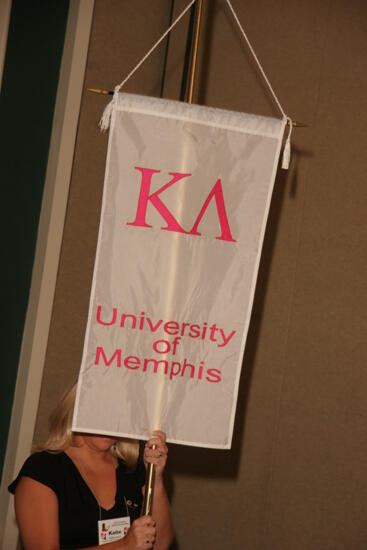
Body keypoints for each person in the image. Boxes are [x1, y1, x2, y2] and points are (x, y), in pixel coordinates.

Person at [8, 383, 174, 549]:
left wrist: (156, 478)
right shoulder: (44, 469)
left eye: (119, 415)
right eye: (101, 411)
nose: (111, 424)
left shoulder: (132, 468)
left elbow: (160, 544)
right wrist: (123, 546)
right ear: (76, 410)